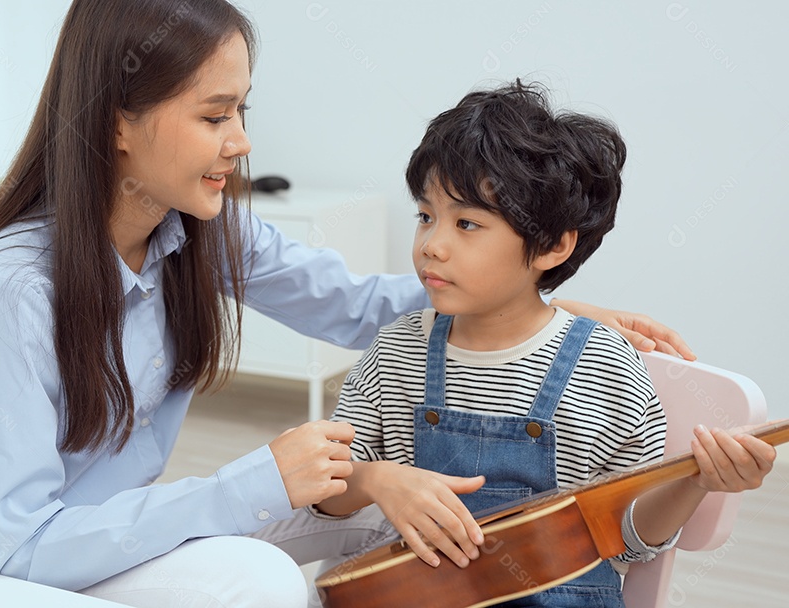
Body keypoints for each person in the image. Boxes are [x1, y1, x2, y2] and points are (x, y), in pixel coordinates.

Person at [0, 1, 698, 605]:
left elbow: (359, 306)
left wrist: (534, 303)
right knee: (262, 582)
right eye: (213, 114)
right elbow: (25, 547)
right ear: (118, 123)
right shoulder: (17, 285)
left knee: (409, 524)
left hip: (123, 522)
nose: (240, 141)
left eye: (242, 110)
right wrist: (256, 479)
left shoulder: (202, 231)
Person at [313, 80, 777, 607]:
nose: (431, 245)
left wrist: (698, 481)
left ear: (552, 246)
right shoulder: (396, 353)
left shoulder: (607, 369)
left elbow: (630, 545)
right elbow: (328, 497)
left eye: (467, 223)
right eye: (426, 216)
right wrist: (376, 480)